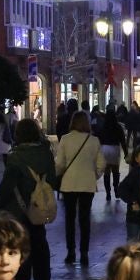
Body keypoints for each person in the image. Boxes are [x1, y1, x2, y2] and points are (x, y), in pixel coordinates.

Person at [0, 118, 59, 280]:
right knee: (40, 244)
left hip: (20, 208)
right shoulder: (46, 152)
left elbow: (8, 184)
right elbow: (53, 180)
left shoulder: (16, 156)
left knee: (21, 247)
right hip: (39, 207)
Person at [54, 111, 102, 267]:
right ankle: (84, 253)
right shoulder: (93, 140)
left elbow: (59, 163)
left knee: (69, 219)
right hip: (87, 184)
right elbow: (102, 164)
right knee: (84, 219)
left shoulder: (65, 140)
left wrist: (59, 174)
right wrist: (94, 175)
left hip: (69, 183)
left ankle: (71, 252)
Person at [116, 144, 140, 242]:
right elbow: (122, 189)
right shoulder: (135, 173)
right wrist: (132, 202)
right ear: (136, 159)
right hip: (134, 215)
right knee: (133, 241)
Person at [97, 106, 127, 202]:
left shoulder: (103, 126)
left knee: (106, 172)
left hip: (105, 149)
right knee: (115, 171)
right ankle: (116, 189)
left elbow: (99, 139)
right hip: (115, 149)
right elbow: (122, 140)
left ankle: (108, 193)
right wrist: (126, 152)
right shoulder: (118, 127)